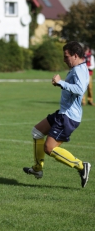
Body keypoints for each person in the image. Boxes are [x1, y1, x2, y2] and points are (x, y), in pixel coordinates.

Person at [23, 41, 91, 188]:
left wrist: (61, 82)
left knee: (49, 148)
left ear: (75, 55)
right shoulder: (79, 68)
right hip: (63, 113)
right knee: (37, 132)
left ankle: (81, 166)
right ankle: (37, 169)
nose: (64, 60)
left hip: (68, 117)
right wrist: (60, 83)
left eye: (66, 57)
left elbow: (79, 90)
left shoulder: (79, 70)